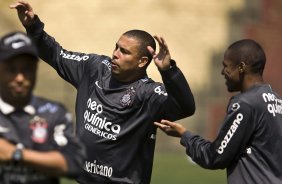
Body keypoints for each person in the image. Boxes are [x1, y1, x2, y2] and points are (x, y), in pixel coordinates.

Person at [10, 1, 196, 183]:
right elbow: (57, 55)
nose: (115, 53)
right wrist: (33, 26)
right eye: (116, 47)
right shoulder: (95, 68)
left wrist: (168, 71)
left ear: (142, 62)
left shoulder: (148, 93)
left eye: (124, 51)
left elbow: (185, 107)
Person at [155, 39, 282, 184]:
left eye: (226, 66)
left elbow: (215, 156)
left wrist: (185, 135)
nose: (222, 72)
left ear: (241, 67)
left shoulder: (245, 104)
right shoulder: (276, 99)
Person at [0, 31, 85, 184]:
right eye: (12, 69)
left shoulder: (54, 112)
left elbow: (73, 164)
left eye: (27, 69)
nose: (20, 78)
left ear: (35, 70)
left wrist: (15, 154)